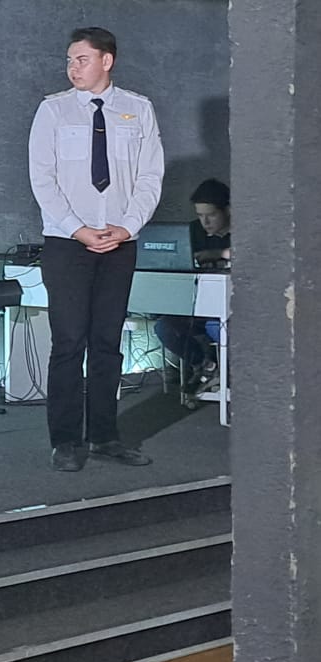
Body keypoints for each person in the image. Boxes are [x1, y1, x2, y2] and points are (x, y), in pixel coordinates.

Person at [28, 27, 165, 472]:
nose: (73, 68)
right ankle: (66, 441)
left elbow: (150, 177)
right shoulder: (53, 110)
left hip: (119, 241)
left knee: (108, 341)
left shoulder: (138, 109)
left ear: (107, 60)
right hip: (68, 243)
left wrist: (127, 227)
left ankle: (105, 436)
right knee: (69, 341)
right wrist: (78, 229)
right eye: (69, 60)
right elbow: (42, 179)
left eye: (82, 59)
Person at [153, 178, 231, 398]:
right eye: (200, 215)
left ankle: (227, 375)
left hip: (229, 309)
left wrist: (217, 254)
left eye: (211, 215)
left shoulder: (244, 230)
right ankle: (206, 366)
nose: (205, 222)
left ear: (227, 210)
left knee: (218, 328)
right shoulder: (193, 231)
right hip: (196, 306)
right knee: (164, 327)